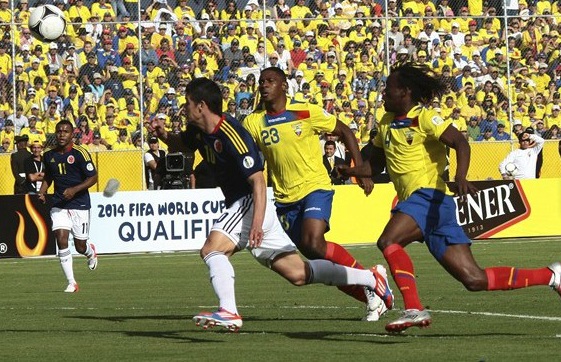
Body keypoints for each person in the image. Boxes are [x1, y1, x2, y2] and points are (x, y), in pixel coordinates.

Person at [147, 77, 391, 331]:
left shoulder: (232, 134)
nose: (183, 108)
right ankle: (371, 278)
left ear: (201, 106)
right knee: (298, 274)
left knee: (212, 250)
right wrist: (164, 135)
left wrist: (255, 223)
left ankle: (229, 310)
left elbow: (258, 182)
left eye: (187, 103)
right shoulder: (199, 131)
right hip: (253, 207)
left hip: (250, 202)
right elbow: (182, 144)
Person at [339, 63, 561, 333]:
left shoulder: (425, 118)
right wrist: (349, 170)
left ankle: (413, 307)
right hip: (430, 207)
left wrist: (462, 176)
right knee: (473, 279)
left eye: (388, 89)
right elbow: (373, 167)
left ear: (405, 92)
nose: (382, 94)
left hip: (429, 196)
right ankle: (552, 275)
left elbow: (460, 142)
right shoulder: (385, 124)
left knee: (388, 241)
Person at [242, 67, 392, 321]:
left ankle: (371, 280)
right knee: (314, 252)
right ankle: (371, 291)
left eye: (271, 81)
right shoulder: (253, 122)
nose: (264, 86)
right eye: (261, 82)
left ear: (284, 86)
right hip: (285, 198)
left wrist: (360, 172)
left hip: (315, 186)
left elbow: (344, 130)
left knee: (313, 241)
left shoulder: (304, 111)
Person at [38, 120, 99, 293]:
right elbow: (48, 176)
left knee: (80, 246)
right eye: (59, 131)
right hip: (59, 204)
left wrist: (74, 190)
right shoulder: (49, 154)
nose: (62, 134)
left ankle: (89, 252)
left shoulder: (80, 153)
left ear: (72, 134)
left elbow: (93, 177)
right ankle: (72, 282)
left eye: (65, 131)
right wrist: (43, 191)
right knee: (61, 238)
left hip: (79, 204)